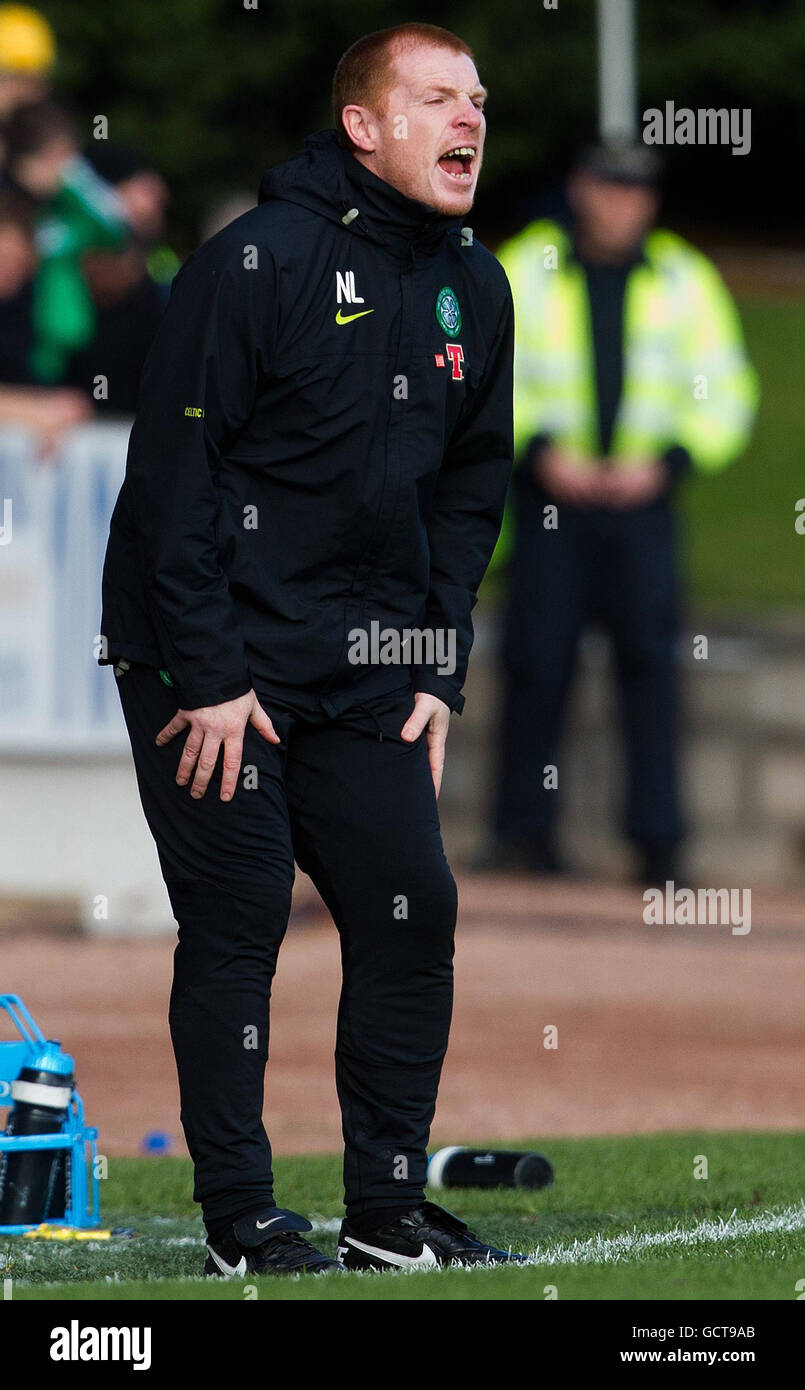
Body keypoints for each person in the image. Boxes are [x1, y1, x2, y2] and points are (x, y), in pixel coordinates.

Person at [100, 23, 520, 1276]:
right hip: (208, 656)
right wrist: (213, 675)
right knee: (237, 920)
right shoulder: (252, 263)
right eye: (438, 97)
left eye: (479, 100)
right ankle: (241, 1218)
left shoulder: (473, 285)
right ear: (364, 125)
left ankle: (387, 1213)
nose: (470, 120)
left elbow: (473, 485)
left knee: (411, 911)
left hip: (369, 667)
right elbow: (172, 482)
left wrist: (437, 664)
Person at [482, 142, 758, 885]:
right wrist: (539, 448)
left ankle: (658, 845)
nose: (622, 205)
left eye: (637, 192)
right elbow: (484, 370)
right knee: (536, 663)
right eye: (609, 189)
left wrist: (665, 462)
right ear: (579, 189)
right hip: (549, 500)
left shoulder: (682, 277)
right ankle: (521, 837)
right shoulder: (525, 265)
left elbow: (725, 388)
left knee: (650, 666)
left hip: (643, 506)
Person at [0, 188, 91, 449]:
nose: (9, 277)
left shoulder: (19, 312)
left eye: (17, 267)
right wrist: (37, 411)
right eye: (3, 261)